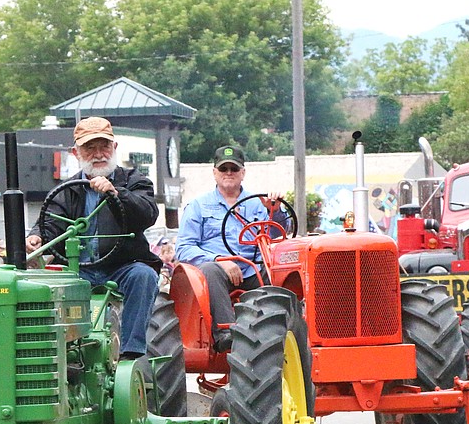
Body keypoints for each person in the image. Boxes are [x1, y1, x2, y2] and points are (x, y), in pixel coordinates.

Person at [27, 116, 161, 359]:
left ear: (114, 148)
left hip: (122, 266)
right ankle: (57, 355)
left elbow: (147, 214)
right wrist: (36, 238)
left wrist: (115, 193)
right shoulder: (67, 190)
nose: (98, 154)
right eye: (90, 148)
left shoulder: (134, 181)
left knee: (144, 276)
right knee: (41, 287)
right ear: (76, 152)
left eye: (104, 146)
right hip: (79, 270)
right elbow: (50, 224)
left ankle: (131, 354)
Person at [176, 144, 289, 353]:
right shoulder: (198, 206)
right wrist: (220, 259)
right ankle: (225, 333)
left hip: (251, 269)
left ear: (243, 173)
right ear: (214, 173)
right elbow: (183, 248)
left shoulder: (258, 204)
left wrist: (276, 210)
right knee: (210, 270)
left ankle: (284, 336)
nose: (229, 173)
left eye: (234, 169)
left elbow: (276, 237)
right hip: (216, 271)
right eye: (223, 169)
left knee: (279, 275)